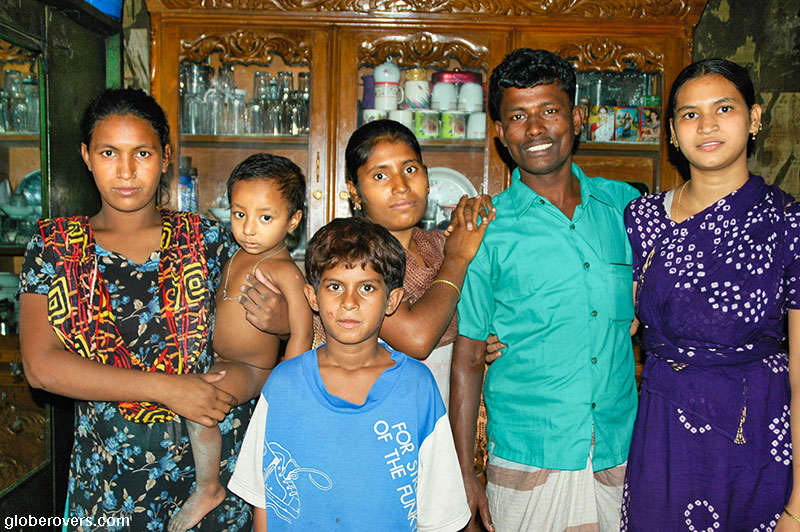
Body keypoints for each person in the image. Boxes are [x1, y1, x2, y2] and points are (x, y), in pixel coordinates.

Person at [17, 88, 282, 532]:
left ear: (165, 155)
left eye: (142, 152)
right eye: (108, 152)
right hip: (110, 481)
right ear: (86, 156)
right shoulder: (52, 246)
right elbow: (41, 367)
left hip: (216, 474)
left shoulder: (212, 240)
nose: (126, 171)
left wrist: (279, 319)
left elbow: (252, 354)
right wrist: (166, 388)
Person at [450, 48, 640, 532]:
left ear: (577, 117)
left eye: (549, 111)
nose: (534, 129)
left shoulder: (627, 208)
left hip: (621, 452)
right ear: (499, 132)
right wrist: (465, 475)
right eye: (517, 116)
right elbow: (469, 357)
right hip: (528, 458)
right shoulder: (484, 227)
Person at [621, 58, 799, 532]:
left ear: (755, 118)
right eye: (690, 114)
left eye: (724, 108)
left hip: (758, 428)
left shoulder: (787, 222)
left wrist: (798, 506)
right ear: (673, 134)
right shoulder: (641, 220)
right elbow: (620, 318)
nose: (708, 125)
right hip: (665, 428)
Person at [228, 216, 471, 531]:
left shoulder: (416, 388)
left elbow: (438, 513)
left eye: (367, 287)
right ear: (313, 297)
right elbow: (262, 499)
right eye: (334, 286)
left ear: (392, 300)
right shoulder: (284, 385)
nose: (349, 302)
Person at [168, 154, 313, 532]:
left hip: (253, 369)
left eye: (266, 217)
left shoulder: (285, 270)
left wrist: (286, 389)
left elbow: (302, 332)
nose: (249, 228)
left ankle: (208, 488)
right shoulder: (232, 255)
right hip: (221, 359)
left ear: (293, 220)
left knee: (200, 406)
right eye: (239, 214)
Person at [339, 119, 493, 405]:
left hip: (444, 414)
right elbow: (418, 339)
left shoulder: (436, 246)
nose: (400, 186)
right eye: (380, 176)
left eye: (410, 169)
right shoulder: (351, 257)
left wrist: (488, 337)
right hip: (381, 421)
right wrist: (457, 258)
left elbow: (477, 315)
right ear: (355, 191)